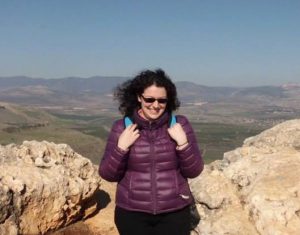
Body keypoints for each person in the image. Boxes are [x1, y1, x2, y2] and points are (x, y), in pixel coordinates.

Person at [99, 69, 204, 235]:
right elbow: (108, 174)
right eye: (149, 99)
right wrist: (121, 148)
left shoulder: (179, 125)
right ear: (139, 97)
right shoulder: (122, 127)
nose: (155, 105)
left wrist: (183, 144)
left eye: (162, 100)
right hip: (132, 213)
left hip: (175, 212)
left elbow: (194, 170)